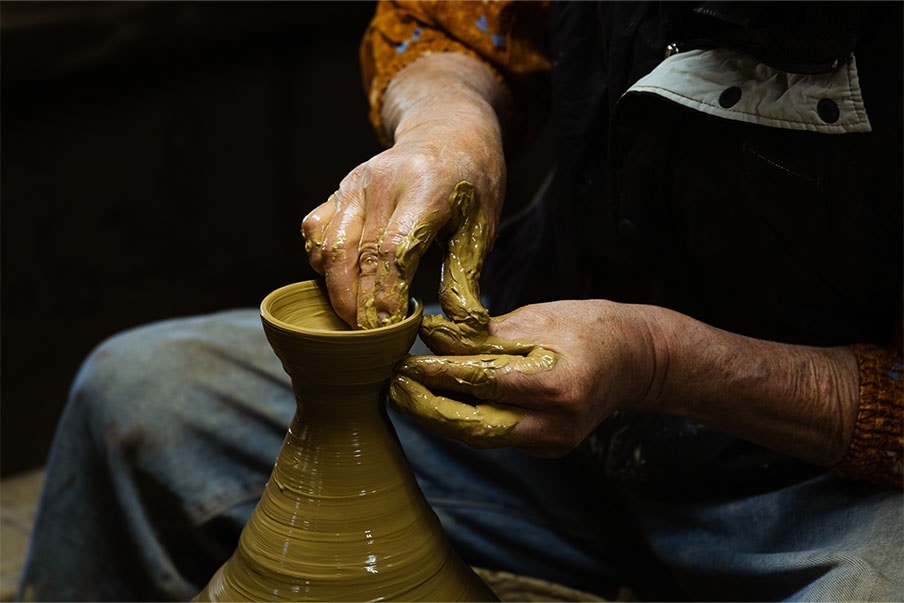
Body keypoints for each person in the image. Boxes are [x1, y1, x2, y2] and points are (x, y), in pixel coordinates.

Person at [19, 1, 902, 601]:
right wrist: (451, 121)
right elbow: (461, 16)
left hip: (818, 478)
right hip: (555, 371)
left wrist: (659, 361)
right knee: (131, 396)